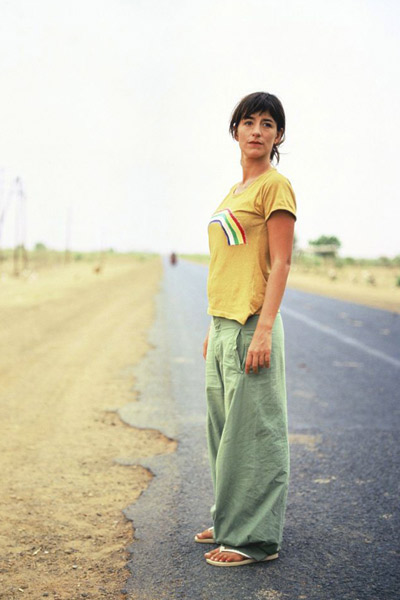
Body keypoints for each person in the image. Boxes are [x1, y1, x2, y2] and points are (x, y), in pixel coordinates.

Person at [195, 92, 297, 567]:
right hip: (223, 325)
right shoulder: (232, 193)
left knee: (255, 434)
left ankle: (254, 540)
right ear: (234, 130)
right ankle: (230, 516)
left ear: (278, 136)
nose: (257, 130)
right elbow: (226, 264)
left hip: (253, 324)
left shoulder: (275, 187)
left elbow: (280, 263)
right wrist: (212, 325)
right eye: (249, 121)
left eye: (268, 123)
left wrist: (264, 329)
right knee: (224, 432)